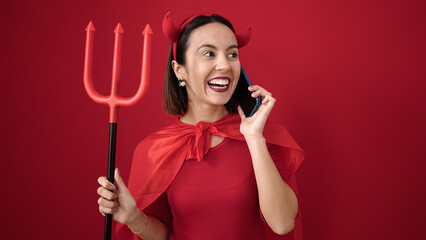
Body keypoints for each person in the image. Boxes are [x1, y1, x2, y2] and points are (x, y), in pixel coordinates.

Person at [97, 11, 304, 240]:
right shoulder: (153, 149)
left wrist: (254, 137)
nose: (224, 65)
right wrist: (133, 217)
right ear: (179, 70)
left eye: (232, 54)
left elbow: (283, 223)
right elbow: (164, 234)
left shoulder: (263, 135)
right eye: (208, 53)